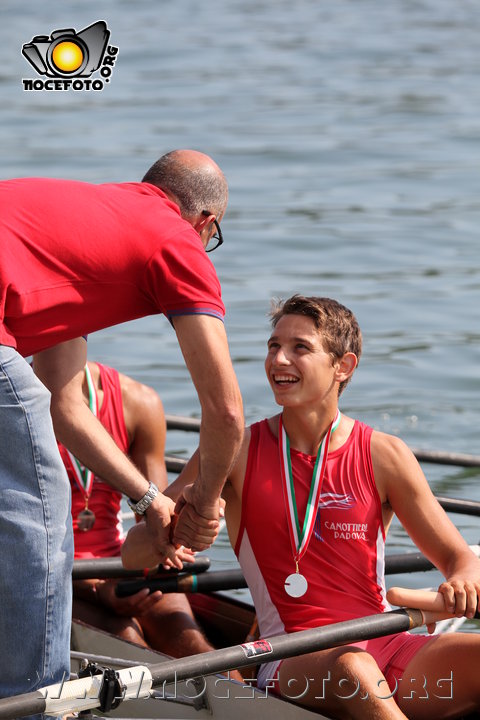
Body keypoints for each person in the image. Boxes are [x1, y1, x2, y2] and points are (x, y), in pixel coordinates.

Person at [125, 295, 480, 719]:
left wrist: (462, 583)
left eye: (300, 348)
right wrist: (173, 534)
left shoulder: (385, 455)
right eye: (274, 346)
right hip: (288, 655)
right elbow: (133, 553)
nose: (279, 359)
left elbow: (460, 559)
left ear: (343, 366)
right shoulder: (234, 452)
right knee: (353, 667)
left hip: (385, 638)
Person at [0, 150, 244, 709]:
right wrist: (204, 506)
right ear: (205, 223)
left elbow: (66, 403)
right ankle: (32, 700)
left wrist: (151, 501)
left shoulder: (77, 233)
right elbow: (227, 412)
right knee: (42, 507)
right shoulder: (175, 238)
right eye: (213, 241)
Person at [64, 360, 225, 659]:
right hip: (52, 572)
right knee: (126, 638)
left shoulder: (138, 402)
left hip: (121, 565)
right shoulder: (14, 403)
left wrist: (193, 516)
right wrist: (96, 590)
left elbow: (158, 528)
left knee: (195, 648)